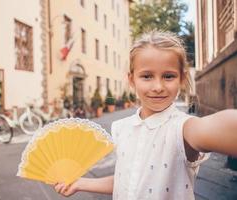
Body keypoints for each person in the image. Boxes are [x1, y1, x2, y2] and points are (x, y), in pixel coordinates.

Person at [53, 31, 237, 199]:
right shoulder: (121, 128)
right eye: (147, 76)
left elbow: (217, 127)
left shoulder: (182, 128)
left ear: (181, 79)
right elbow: (128, 181)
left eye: (168, 76)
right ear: (132, 79)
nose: (158, 87)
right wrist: (81, 183)